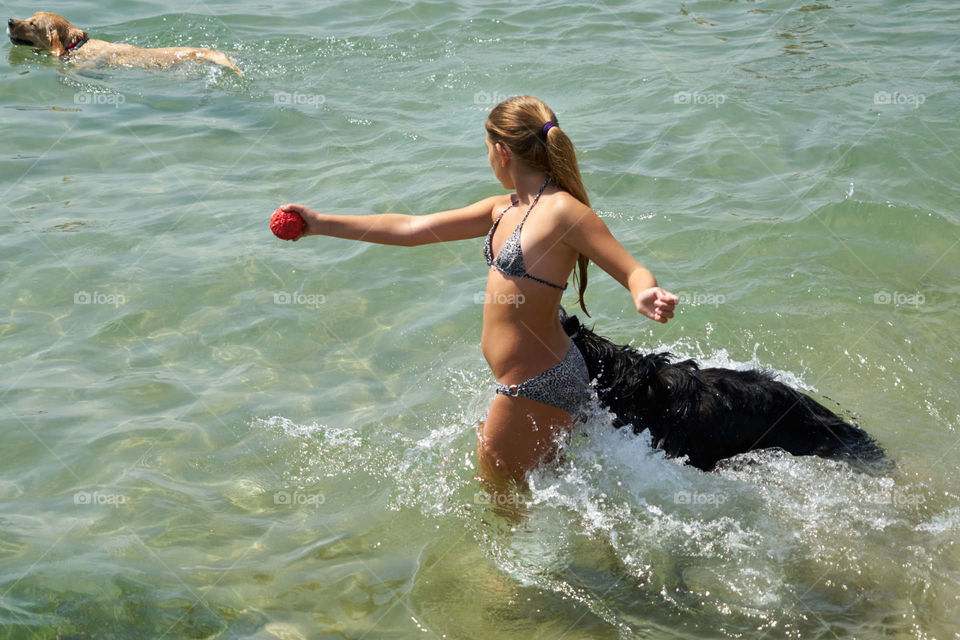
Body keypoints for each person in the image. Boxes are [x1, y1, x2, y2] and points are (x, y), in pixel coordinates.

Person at [278, 95, 678, 490]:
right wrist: (321, 223)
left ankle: (537, 556)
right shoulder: (502, 208)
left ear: (502, 151)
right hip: (532, 378)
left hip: (539, 381)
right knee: (535, 493)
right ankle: (589, 552)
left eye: (486, 149)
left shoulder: (562, 212)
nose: (487, 158)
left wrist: (644, 293)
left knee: (499, 494)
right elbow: (413, 229)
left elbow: (633, 269)